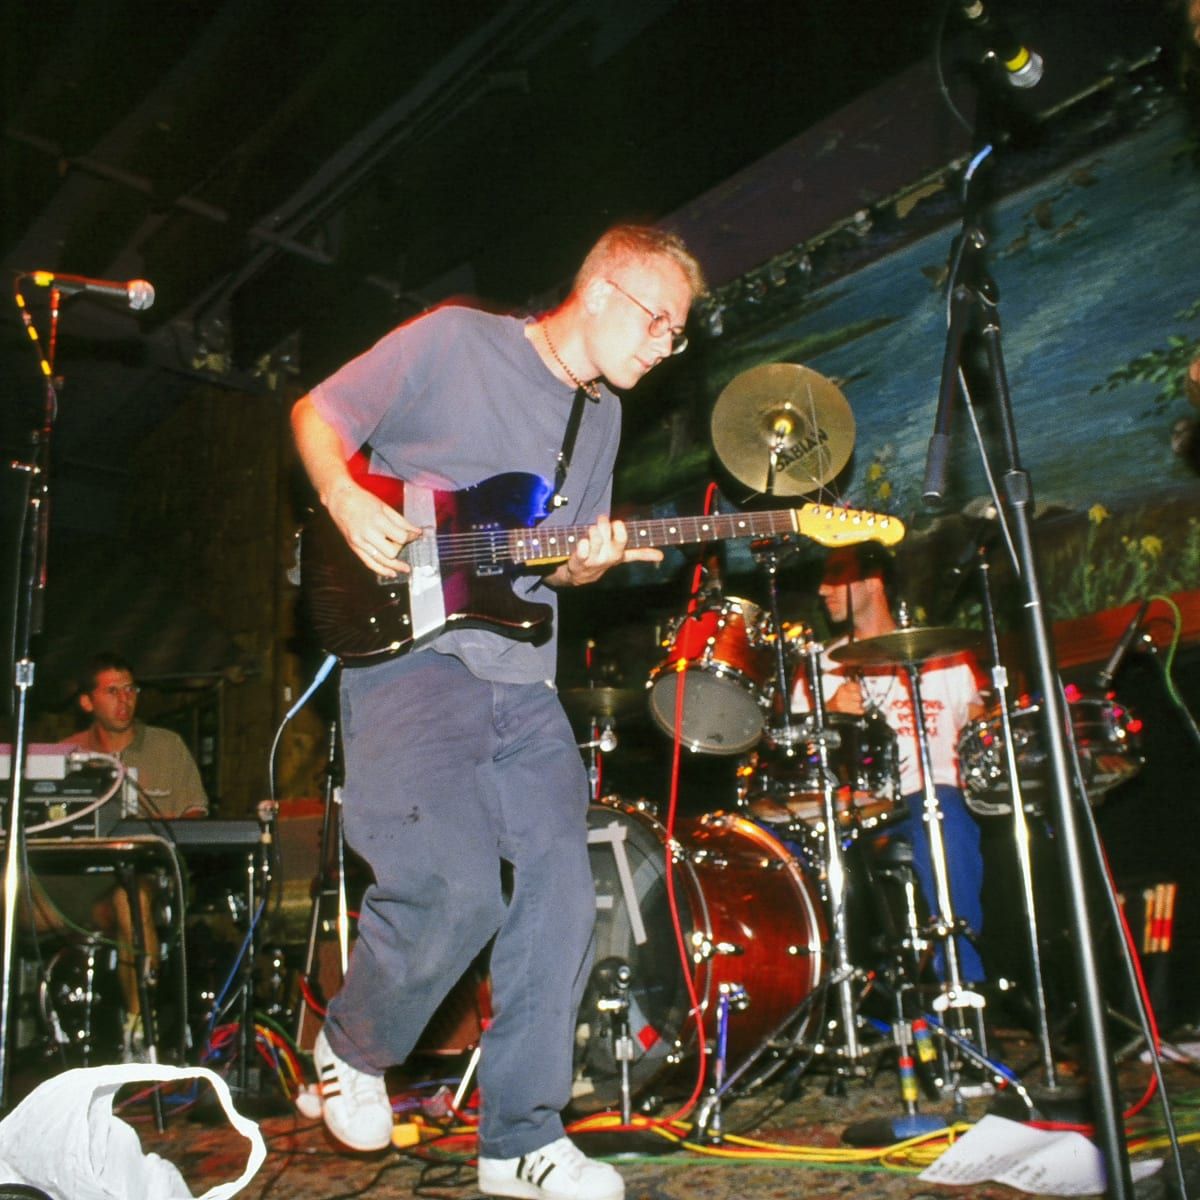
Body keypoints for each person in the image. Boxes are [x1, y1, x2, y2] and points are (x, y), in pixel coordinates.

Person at [291, 225, 705, 1199]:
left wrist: (584, 562)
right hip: (413, 656)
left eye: (678, 336)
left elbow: (542, 553)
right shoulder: (454, 342)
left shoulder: (597, 420)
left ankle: (520, 1138)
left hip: (523, 675)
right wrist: (344, 500)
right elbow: (320, 412)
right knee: (455, 887)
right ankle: (352, 1042)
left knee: (563, 891)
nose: (664, 347)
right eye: (659, 323)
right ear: (602, 288)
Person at [791, 545, 988, 984]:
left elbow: (980, 733)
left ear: (873, 580)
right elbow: (794, 762)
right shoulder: (821, 666)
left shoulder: (945, 656)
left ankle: (959, 987)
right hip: (853, 808)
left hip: (932, 799)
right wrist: (829, 715)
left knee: (943, 813)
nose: (823, 590)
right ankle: (849, 995)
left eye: (836, 573)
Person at [37, 651, 208, 1058]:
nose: (125, 699)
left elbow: (196, 815)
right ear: (87, 702)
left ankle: (138, 1029)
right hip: (75, 884)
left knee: (130, 897)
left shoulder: (167, 747)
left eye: (130, 689)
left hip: (145, 878)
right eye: (112, 691)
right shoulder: (64, 754)